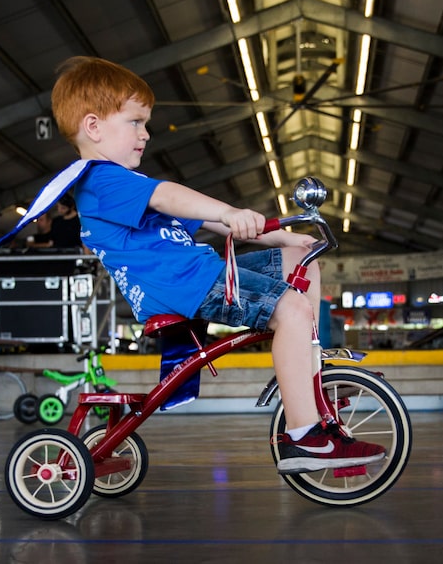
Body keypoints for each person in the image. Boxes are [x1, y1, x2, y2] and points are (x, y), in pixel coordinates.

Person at [51, 56, 385, 475]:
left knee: (300, 258)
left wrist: (279, 234)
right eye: (135, 122)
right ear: (94, 126)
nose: (146, 134)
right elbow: (169, 196)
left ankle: (311, 366)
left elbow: (203, 218)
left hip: (201, 274)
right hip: (183, 284)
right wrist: (230, 211)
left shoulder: (126, 185)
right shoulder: (98, 179)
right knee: (292, 309)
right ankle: (304, 436)